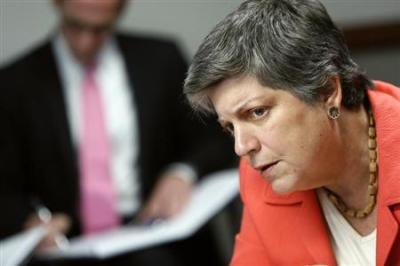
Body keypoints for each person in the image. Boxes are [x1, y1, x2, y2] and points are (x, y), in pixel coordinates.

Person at [0, 0, 235, 265]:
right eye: (77, 26)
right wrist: (27, 221)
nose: (86, 42)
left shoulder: (160, 59)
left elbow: (215, 137)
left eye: (100, 29)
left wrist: (181, 173)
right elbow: (5, 184)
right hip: (66, 242)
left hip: (152, 230)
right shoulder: (15, 83)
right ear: (58, 4)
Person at [183, 0, 400, 265]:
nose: (242, 147)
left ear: (327, 91)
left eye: (257, 112)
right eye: (230, 127)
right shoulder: (259, 178)